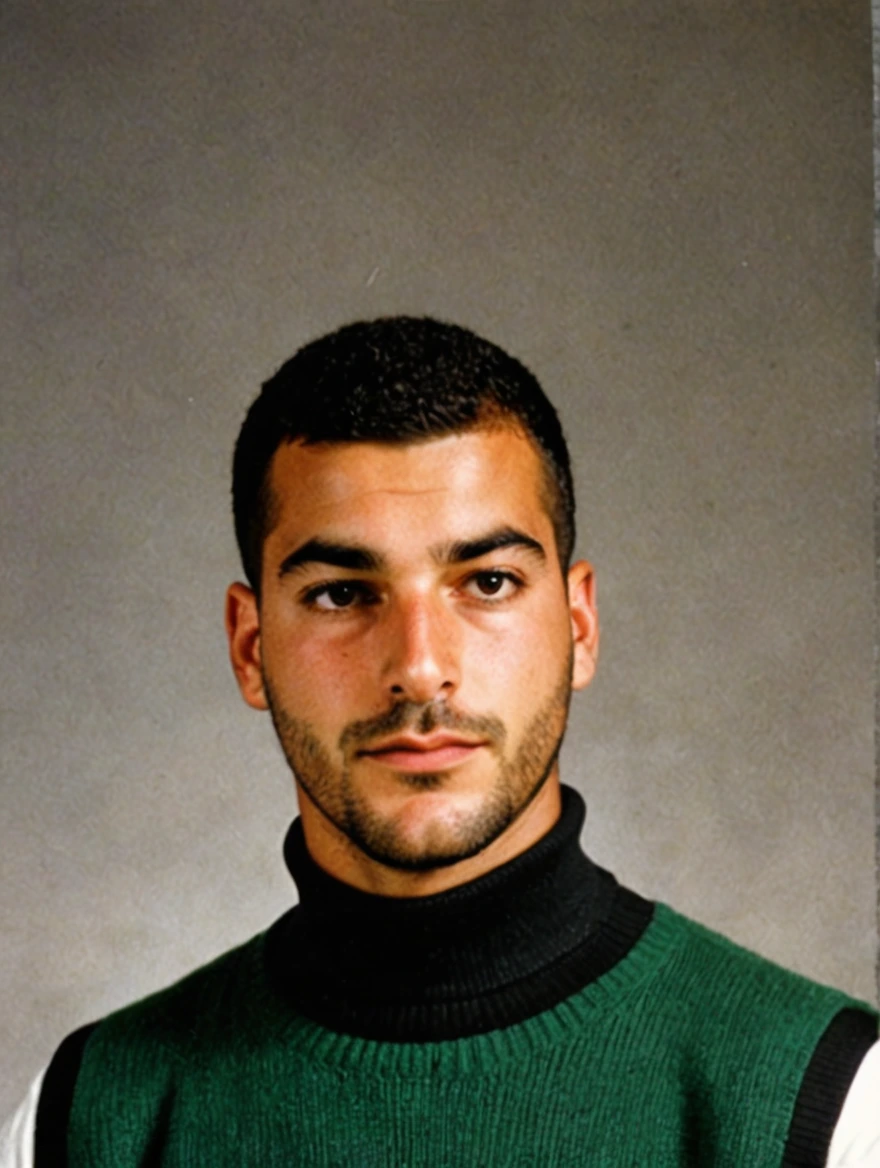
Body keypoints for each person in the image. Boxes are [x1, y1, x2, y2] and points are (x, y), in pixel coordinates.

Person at [2, 316, 878, 1167]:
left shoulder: (830, 1105)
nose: (420, 669)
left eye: (487, 582)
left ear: (579, 623)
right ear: (250, 646)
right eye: (343, 594)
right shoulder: (84, 1123)